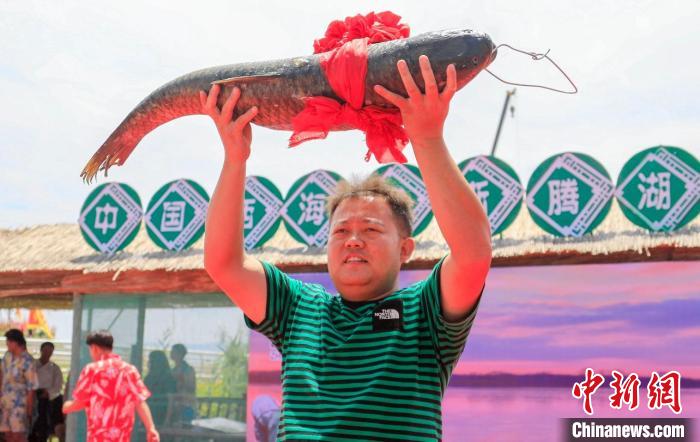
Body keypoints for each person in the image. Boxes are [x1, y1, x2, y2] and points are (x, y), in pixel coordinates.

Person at [202, 55, 491, 440]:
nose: (353, 239)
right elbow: (224, 264)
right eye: (340, 231)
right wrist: (235, 159)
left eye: (371, 229)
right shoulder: (298, 309)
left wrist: (427, 138)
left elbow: (473, 255)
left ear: (405, 249)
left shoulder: (423, 312)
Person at [62, 330, 160, 442]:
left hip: (98, 437)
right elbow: (140, 402)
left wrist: (66, 407)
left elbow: (82, 402)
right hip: (122, 436)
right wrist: (151, 428)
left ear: (94, 348)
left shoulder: (92, 369)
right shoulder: (129, 370)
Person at [0, 329, 38, 442]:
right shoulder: (7, 356)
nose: (7, 343)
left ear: (16, 343)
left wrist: (29, 410)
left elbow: (31, 388)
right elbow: (1, 374)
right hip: (5, 403)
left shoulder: (28, 361)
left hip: (19, 405)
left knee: (18, 436)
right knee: (7, 435)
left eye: (9, 341)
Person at [29, 342, 63, 442]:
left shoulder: (55, 368)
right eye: (46, 350)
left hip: (46, 400)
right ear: (41, 350)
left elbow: (58, 386)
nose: (47, 353)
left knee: (43, 423)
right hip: (31, 396)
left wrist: (47, 392)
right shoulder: (32, 365)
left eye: (50, 351)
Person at [143, 351, 176, 427]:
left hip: (161, 414)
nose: (148, 363)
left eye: (150, 360)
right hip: (149, 413)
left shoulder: (168, 378)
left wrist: (167, 419)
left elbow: (171, 399)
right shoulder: (148, 378)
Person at [168, 344, 196, 424]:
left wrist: (181, 379)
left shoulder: (188, 369)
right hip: (175, 403)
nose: (171, 353)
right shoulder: (174, 369)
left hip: (186, 404)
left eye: (173, 352)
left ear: (180, 354)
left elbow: (191, 387)